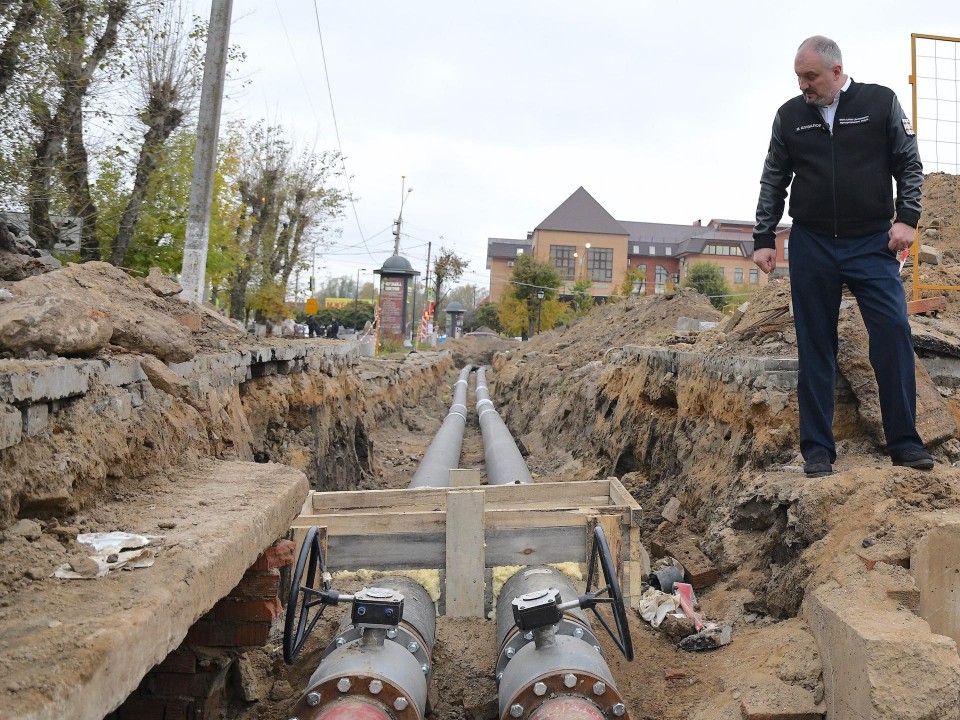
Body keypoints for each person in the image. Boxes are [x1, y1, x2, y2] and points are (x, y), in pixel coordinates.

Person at [752, 35, 933, 478]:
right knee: (816, 345)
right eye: (798, 77)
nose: (803, 86)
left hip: (872, 241)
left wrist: (907, 217)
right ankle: (817, 451)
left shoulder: (880, 102)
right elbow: (774, 178)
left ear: (836, 71)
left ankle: (905, 444)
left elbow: (909, 164)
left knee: (892, 332)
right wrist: (763, 236)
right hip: (812, 242)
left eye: (810, 76)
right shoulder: (790, 117)